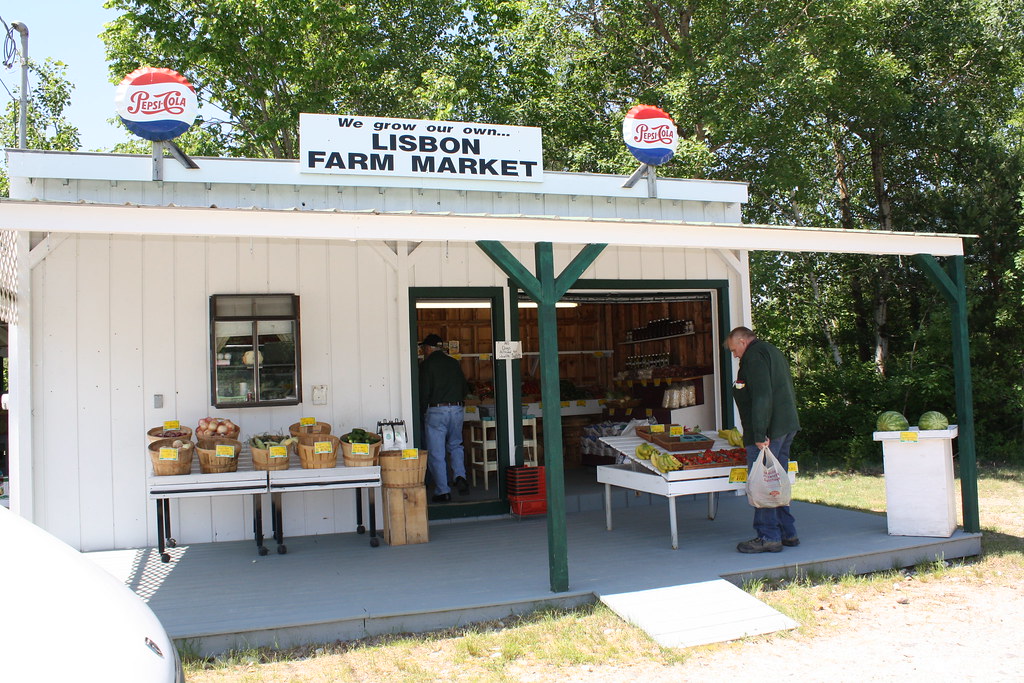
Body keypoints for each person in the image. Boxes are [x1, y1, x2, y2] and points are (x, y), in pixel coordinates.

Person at [726, 326, 801, 553]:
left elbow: (761, 395)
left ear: (742, 341)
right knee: (777, 480)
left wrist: (759, 434)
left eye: (734, 350)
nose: (735, 355)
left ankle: (768, 536)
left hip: (769, 430)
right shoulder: (772, 350)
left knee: (764, 482)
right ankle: (787, 532)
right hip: (785, 425)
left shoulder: (754, 357)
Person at [419, 333, 471, 502]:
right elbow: (465, 388)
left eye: (423, 348)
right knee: (456, 444)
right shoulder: (453, 363)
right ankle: (460, 475)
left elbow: (424, 392)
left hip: (436, 410)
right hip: (456, 409)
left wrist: (422, 409)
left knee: (437, 452)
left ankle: (443, 490)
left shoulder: (426, 365)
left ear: (428, 348)